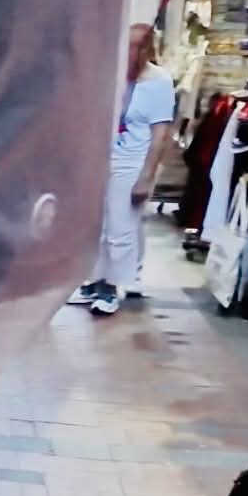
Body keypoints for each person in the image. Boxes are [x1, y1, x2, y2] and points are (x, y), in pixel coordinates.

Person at [68, 23, 176, 316]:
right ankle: (96, 280)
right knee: (99, 226)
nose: (128, 52)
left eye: (135, 46)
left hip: (132, 160)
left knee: (120, 226)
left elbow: (160, 133)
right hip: (102, 157)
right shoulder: (112, 77)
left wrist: (147, 176)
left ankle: (113, 286)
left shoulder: (158, 82)